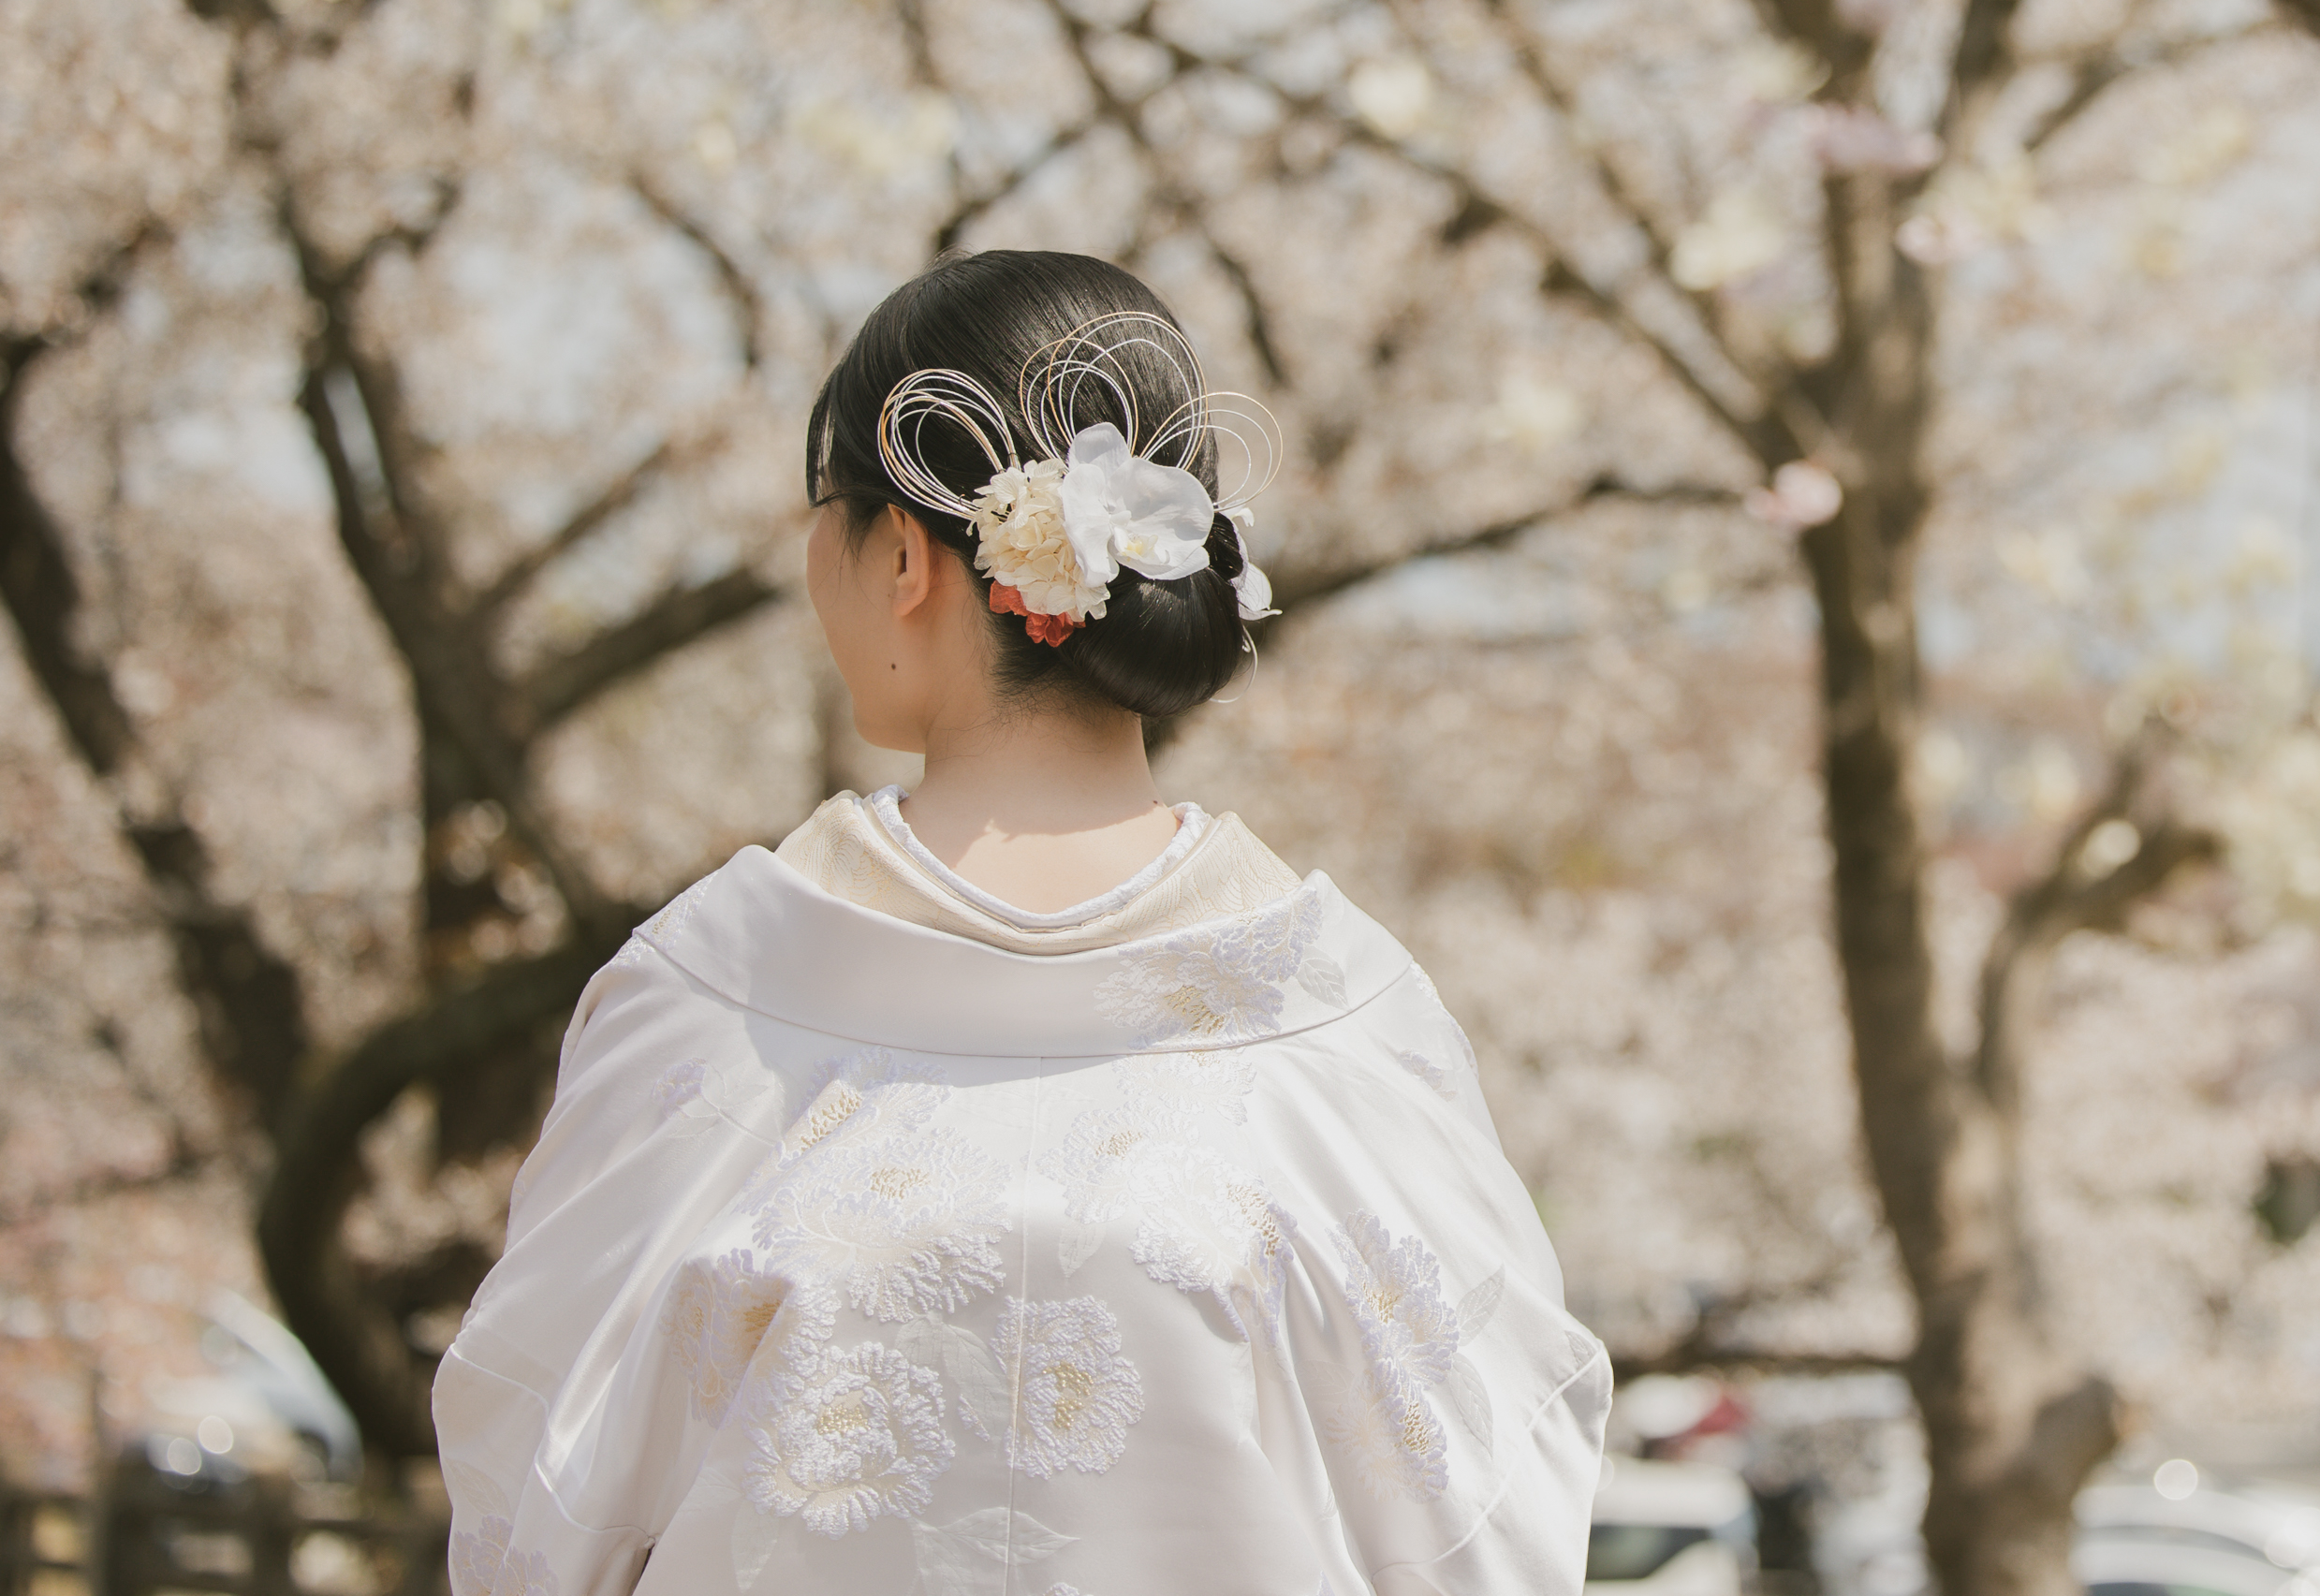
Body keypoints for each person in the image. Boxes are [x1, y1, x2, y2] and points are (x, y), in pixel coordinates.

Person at [433, 250, 1611, 1594]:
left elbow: (534, 1496)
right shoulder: (1339, 1019)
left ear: (900, 555)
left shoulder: (714, 999)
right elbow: (1486, 1517)